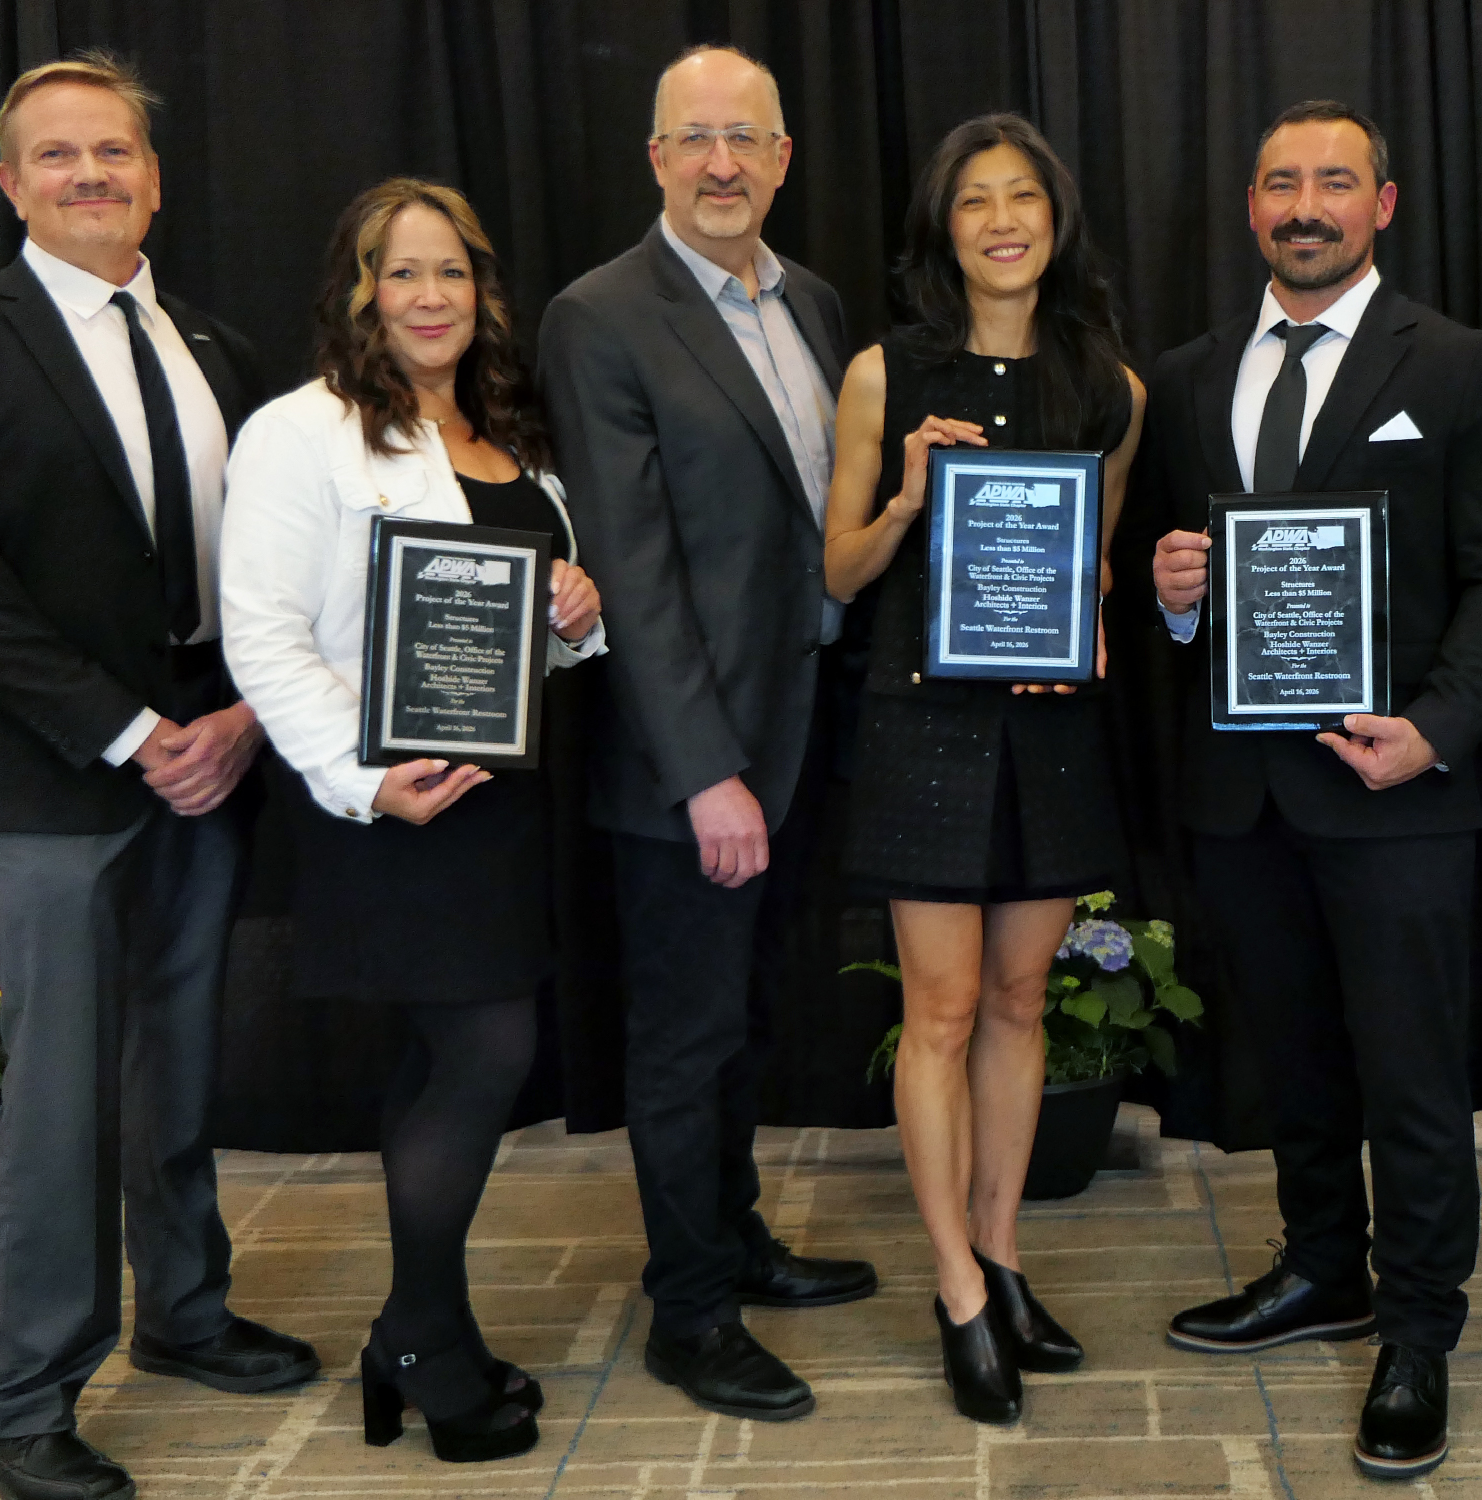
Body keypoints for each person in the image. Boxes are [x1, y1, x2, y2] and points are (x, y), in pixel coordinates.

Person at [0, 51, 318, 1500]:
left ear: (154, 179)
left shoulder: (216, 346)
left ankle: (183, 1314)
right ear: (9, 184)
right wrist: (134, 735)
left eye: (113, 153)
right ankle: (25, 1401)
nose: (90, 177)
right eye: (57, 157)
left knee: (178, 1064)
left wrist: (241, 717)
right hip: (53, 778)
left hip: (213, 754)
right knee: (60, 1104)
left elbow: (269, 570)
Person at [1146, 100, 1482, 1481]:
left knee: (1411, 1078)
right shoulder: (1193, 375)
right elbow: (1184, 587)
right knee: (1298, 1065)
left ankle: (1419, 1331)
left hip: (1399, 791)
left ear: (1382, 203)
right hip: (1243, 795)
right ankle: (1322, 1267)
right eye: (1277, 182)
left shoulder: (1458, 363)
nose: (1301, 203)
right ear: (1247, 207)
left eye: (1331, 181)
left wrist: (1435, 730)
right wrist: (1177, 598)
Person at [218, 177, 605, 1462]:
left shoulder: (512, 434)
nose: (431, 297)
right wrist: (359, 774)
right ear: (358, 292)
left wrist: (572, 621)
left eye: (454, 273)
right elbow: (263, 633)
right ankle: (424, 1341)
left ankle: (423, 1325)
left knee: (451, 1061)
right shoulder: (301, 431)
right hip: (389, 805)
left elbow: (518, 645)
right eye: (402, 272)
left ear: (484, 293)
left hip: (504, 802)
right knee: (484, 1053)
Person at [538, 42, 878, 1423]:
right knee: (681, 1041)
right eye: (695, 140)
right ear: (656, 160)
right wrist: (707, 775)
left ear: (784, 159)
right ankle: (689, 1313)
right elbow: (632, 566)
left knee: (742, 1021)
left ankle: (732, 1240)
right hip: (692, 768)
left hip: (803, 733)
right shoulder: (598, 316)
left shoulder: (814, 303)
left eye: (746, 139)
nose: (722, 164)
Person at [822, 113, 1146, 1424]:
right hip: (921, 721)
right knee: (941, 1010)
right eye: (973, 201)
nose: (1001, 218)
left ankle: (1004, 1254)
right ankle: (954, 1287)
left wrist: (1088, 627)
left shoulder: (1109, 385)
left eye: (1023, 197)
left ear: (1054, 220)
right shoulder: (880, 374)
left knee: (1020, 1000)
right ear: (940, 230)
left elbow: (1099, 565)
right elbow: (834, 574)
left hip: (1051, 728)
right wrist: (901, 500)